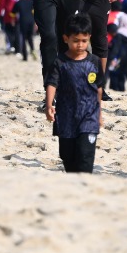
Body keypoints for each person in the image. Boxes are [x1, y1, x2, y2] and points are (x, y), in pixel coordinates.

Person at [47, 13, 105, 174]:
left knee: (85, 157)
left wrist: (99, 114)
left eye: (84, 41)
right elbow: (52, 84)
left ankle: (84, 187)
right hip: (66, 117)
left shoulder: (94, 62)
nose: (80, 45)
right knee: (67, 157)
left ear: (89, 39)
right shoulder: (60, 62)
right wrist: (49, 105)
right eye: (76, 41)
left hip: (89, 117)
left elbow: (99, 89)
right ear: (66, 39)